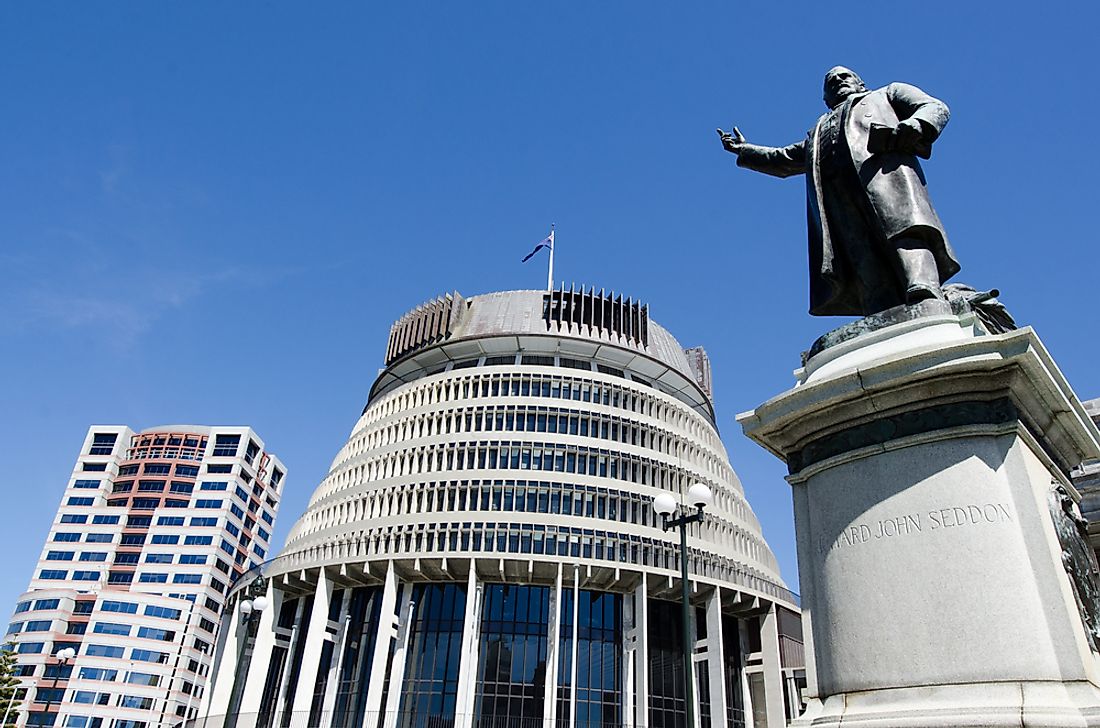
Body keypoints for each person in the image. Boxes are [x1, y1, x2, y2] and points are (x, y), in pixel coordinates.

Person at [718, 67, 960, 316]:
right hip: (839, 200)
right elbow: (785, 158)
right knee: (859, 253)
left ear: (861, 83)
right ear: (826, 99)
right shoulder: (819, 129)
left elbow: (935, 107)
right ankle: (882, 310)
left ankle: (924, 290)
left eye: (844, 77)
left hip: (885, 181)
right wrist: (745, 150)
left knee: (903, 231)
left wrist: (916, 126)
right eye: (830, 82)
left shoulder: (886, 94)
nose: (838, 82)